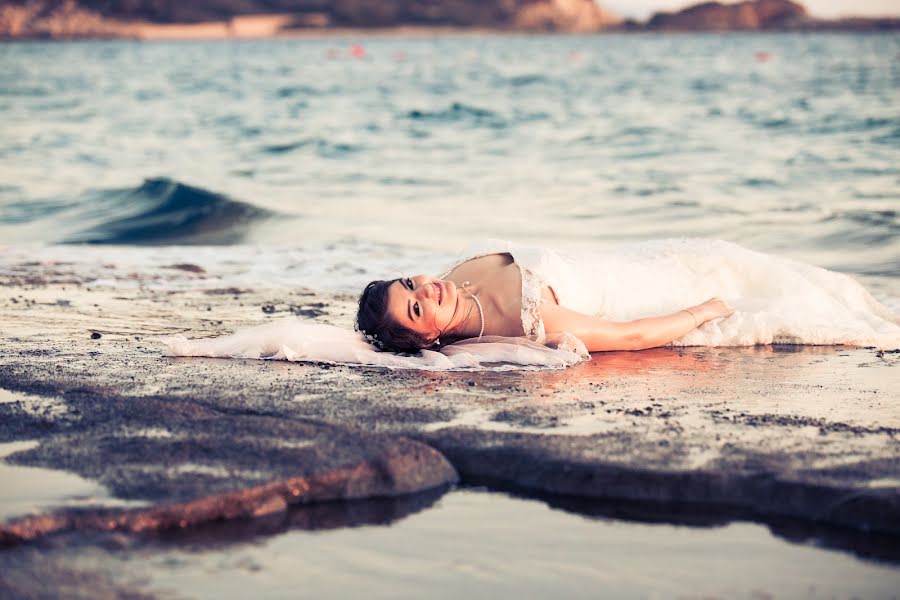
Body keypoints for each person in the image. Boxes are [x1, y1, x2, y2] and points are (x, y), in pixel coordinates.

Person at [355, 239, 900, 354]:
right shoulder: (522, 323)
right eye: (418, 307)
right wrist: (705, 309)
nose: (426, 289)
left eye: (410, 284)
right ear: (428, 336)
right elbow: (630, 337)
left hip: (643, 253)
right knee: (768, 285)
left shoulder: (460, 272)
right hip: (655, 288)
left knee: (757, 260)